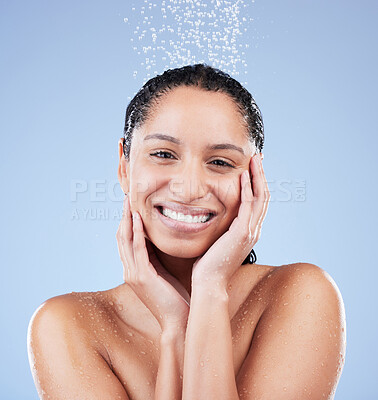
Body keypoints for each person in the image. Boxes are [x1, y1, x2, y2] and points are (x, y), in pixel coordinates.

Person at [27, 63, 346, 400]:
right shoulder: (67, 326)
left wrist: (209, 288)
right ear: (124, 166)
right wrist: (174, 329)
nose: (190, 188)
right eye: (163, 154)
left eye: (220, 162)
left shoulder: (300, 294)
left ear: (255, 178)